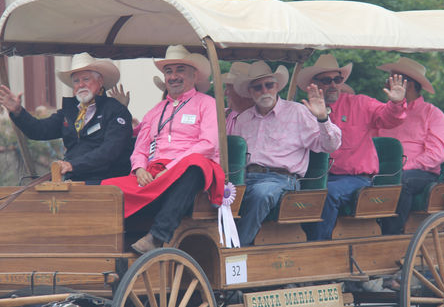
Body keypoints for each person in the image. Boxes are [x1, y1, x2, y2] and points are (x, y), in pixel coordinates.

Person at [102, 45, 224, 254]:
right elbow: (140, 147)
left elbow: (208, 144)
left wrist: (174, 167)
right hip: (156, 172)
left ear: (194, 75)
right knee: (108, 187)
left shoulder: (207, 103)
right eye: (169, 71)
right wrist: (140, 169)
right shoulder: (155, 111)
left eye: (180, 70)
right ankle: (110, 244)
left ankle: (157, 235)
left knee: (195, 163)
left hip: (191, 169)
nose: (173, 76)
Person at [231, 61, 342, 246]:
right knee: (217, 195)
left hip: (281, 180)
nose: (264, 90)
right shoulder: (243, 118)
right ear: (250, 92)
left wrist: (323, 118)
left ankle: (236, 251)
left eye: (269, 85)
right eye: (258, 87)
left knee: (261, 193)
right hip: (246, 178)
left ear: (277, 87)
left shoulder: (297, 111)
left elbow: (330, 145)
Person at [297, 54, 407, 241]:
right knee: (291, 194)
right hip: (319, 178)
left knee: (327, 193)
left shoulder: (360, 103)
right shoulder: (304, 111)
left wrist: (396, 103)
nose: (333, 84)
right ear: (314, 84)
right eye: (326, 80)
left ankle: (318, 247)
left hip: (356, 179)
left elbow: (389, 119)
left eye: (337, 79)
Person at [0, 52, 133, 183]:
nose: (81, 85)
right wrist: (18, 111)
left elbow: (111, 150)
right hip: (73, 182)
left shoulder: (116, 110)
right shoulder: (69, 112)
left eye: (86, 79)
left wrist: (72, 165)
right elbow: (38, 130)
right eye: (76, 81)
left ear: (100, 81)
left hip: (105, 183)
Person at [377, 57, 444, 234]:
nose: (387, 82)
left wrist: (404, 167)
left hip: (421, 174)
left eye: (392, 78)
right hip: (384, 172)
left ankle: (392, 236)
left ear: (406, 84)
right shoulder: (384, 111)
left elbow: (437, 154)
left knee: (402, 181)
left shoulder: (433, 113)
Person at [222, 62, 254, 134]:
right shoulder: (223, 114)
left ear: (241, 91)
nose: (225, 93)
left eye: (228, 88)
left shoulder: (260, 119)